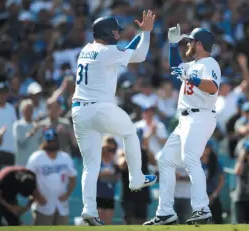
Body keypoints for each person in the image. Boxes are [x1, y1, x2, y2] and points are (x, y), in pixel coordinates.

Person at [71, 13, 157, 226]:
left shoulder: (86, 49)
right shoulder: (107, 51)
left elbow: (125, 51)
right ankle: (136, 178)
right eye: (115, 30)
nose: (118, 33)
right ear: (106, 32)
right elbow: (139, 56)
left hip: (79, 111)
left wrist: (136, 38)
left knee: (91, 165)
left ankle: (89, 210)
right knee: (130, 133)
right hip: (100, 108)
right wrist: (146, 32)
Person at [145, 24, 221, 225]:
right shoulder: (192, 65)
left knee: (190, 160)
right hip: (186, 119)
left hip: (200, 116)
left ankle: (202, 208)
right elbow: (175, 68)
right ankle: (165, 212)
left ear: (200, 44)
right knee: (165, 160)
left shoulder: (209, 62)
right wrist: (171, 45)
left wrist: (192, 77)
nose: (187, 44)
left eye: (190, 41)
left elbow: (212, 88)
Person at [26, 129, 77, 225]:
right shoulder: (36, 157)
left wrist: (67, 194)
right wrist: (37, 196)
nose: (52, 143)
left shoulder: (65, 158)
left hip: (61, 205)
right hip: (42, 205)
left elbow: (73, 178)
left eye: (54, 141)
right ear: (44, 141)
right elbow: (28, 180)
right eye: (49, 141)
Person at [118, 128, 156, 225]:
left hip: (142, 193)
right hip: (128, 194)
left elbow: (154, 162)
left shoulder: (145, 151)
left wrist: (146, 146)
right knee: (129, 223)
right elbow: (121, 164)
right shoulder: (124, 151)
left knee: (142, 222)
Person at [96, 136, 119, 224]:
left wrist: (104, 175)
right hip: (98, 195)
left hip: (109, 195)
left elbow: (116, 178)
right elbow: (95, 176)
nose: (109, 152)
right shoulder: (98, 161)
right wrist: (105, 174)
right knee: (99, 219)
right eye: (107, 149)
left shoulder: (114, 163)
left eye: (112, 150)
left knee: (108, 220)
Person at [201, 141, 225, 224]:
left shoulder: (216, 162)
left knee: (218, 221)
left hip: (212, 195)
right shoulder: (196, 162)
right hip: (199, 196)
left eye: (207, 147)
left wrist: (213, 195)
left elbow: (221, 181)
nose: (205, 150)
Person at [13, 99, 42, 166]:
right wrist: (32, 132)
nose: (29, 112)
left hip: (35, 164)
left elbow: (41, 144)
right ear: (22, 111)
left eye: (31, 109)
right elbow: (21, 144)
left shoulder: (37, 126)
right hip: (22, 163)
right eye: (27, 110)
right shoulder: (18, 125)